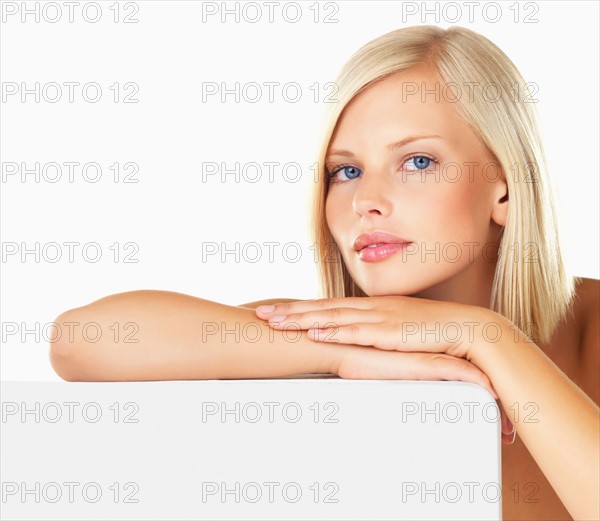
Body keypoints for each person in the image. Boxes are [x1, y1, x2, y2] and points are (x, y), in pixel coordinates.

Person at [49, 26, 598, 520]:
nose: (367, 200)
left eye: (418, 161)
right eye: (347, 170)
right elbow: (78, 339)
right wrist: (337, 353)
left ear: (503, 186)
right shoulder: (343, 331)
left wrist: (486, 336)